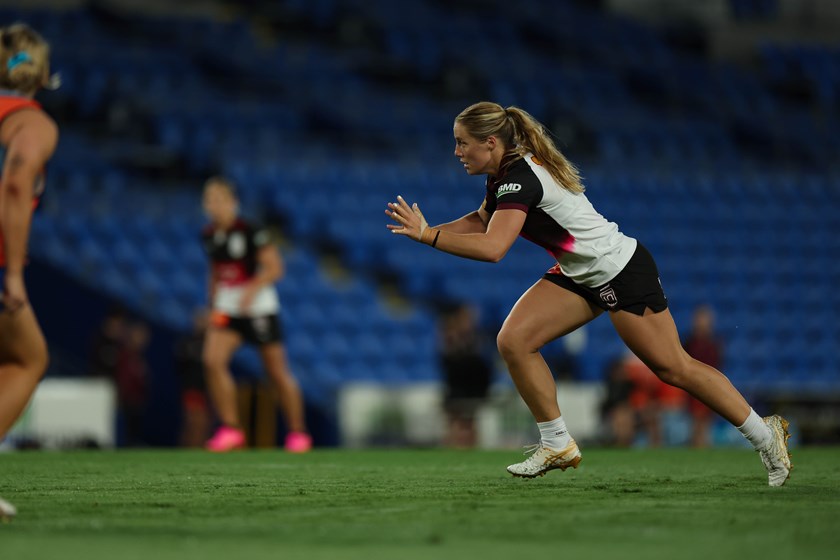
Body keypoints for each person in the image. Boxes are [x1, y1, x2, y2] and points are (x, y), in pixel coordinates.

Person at [386, 101, 792, 486]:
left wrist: (430, 237)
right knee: (514, 340)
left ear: (490, 142)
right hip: (580, 272)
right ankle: (557, 443)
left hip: (619, 271)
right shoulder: (506, 174)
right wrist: (428, 230)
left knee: (674, 368)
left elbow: (494, 248)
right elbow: (482, 220)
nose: (456, 151)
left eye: (462, 142)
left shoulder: (518, 177)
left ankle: (765, 434)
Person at [201, 176, 311, 453]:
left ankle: (298, 432)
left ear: (233, 202)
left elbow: (275, 268)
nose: (214, 205)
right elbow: (215, 271)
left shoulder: (251, 230)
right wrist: (212, 304)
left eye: (219, 199)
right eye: (209, 200)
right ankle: (231, 428)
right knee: (212, 360)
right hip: (228, 308)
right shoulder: (209, 235)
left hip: (259, 308)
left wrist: (251, 289)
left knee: (276, 372)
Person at [0, 24, 60, 521]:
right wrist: (15, 274)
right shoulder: (32, 124)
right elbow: (18, 179)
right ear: (42, 77)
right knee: (28, 359)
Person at [439, 303, 492, 448]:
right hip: (457, 388)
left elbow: (485, 365)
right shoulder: (450, 337)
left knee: (470, 422)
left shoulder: (479, 338)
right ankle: (452, 446)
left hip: (476, 388)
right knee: (456, 422)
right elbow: (448, 362)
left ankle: (471, 447)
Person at [682, 305, 725, 448]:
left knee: (705, 423)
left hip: (709, 385)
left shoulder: (714, 344)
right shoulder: (689, 342)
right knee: (695, 423)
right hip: (693, 386)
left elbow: (716, 367)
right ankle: (696, 446)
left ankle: (703, 447)